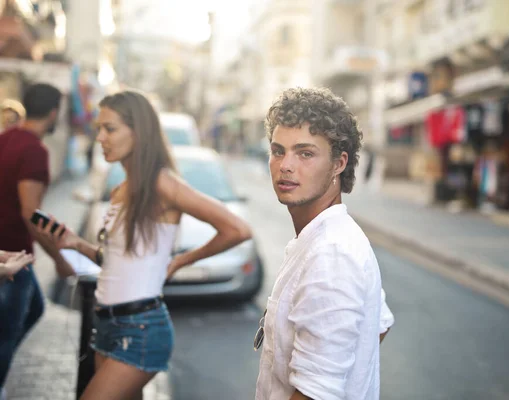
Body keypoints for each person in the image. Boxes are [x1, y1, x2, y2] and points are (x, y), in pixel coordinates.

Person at [36, 90, 252, 399]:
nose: (100, 138)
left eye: (110, 129)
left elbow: (237, 229)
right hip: (107, 327)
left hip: (139, 331)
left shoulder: (163, 183)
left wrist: (181, 260)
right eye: (99, 128)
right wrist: (73, 243)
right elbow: (117, 262)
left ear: (138, 131)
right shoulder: (120, 191)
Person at [254, 87, 394, 400]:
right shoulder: (324, 236)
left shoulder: (331, 254)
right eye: (278, 151)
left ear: (338, 164)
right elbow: (378, 324)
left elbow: (316, 393)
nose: (285, 165)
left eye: (305, 153)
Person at [0, 83, 73, 397]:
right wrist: (60, 258)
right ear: (54, 112)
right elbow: (32, 213)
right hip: (14, 258)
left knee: (35, 310)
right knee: (6, 334)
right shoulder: (34, 150)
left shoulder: (6, 138)